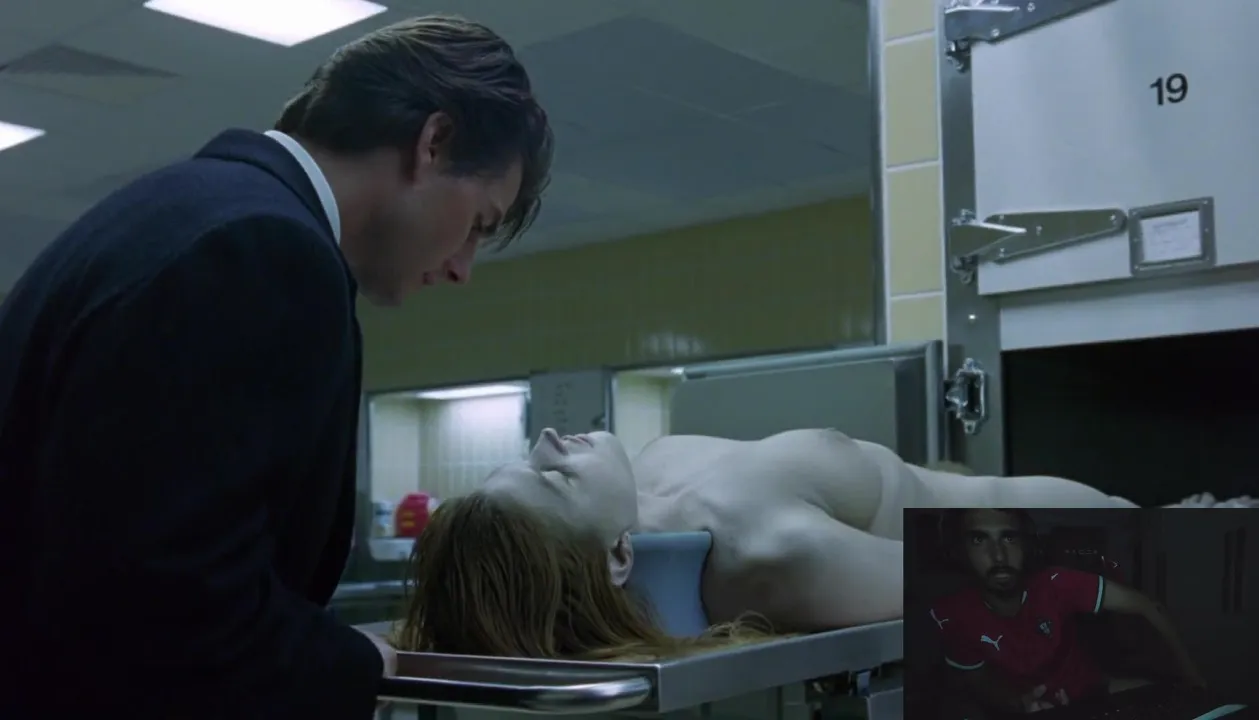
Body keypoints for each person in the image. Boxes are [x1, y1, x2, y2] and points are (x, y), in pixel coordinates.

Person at [0, 15, 552, 719]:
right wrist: (355, 665)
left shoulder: (176, 209)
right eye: (478, 223)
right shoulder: (262, 253)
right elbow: (170, 601)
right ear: (434, 142)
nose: (462, 269)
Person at [397, 427, 1165, 659]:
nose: (548, 439)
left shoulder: (650, 475)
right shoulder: (768, 554)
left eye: (525, 457)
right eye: (552, 478)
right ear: (617, 557)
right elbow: (987, 577)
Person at [928, 508, 1205, 715]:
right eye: (979, 540)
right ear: (960, 551)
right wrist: (1018, 703)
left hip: (1093, 692)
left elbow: (1149, 606)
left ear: (1026, 545)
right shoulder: (951, 615)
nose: (998, 556)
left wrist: (1195, 680)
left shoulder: (1056, 583)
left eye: (1009, 538)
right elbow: (977, 681)